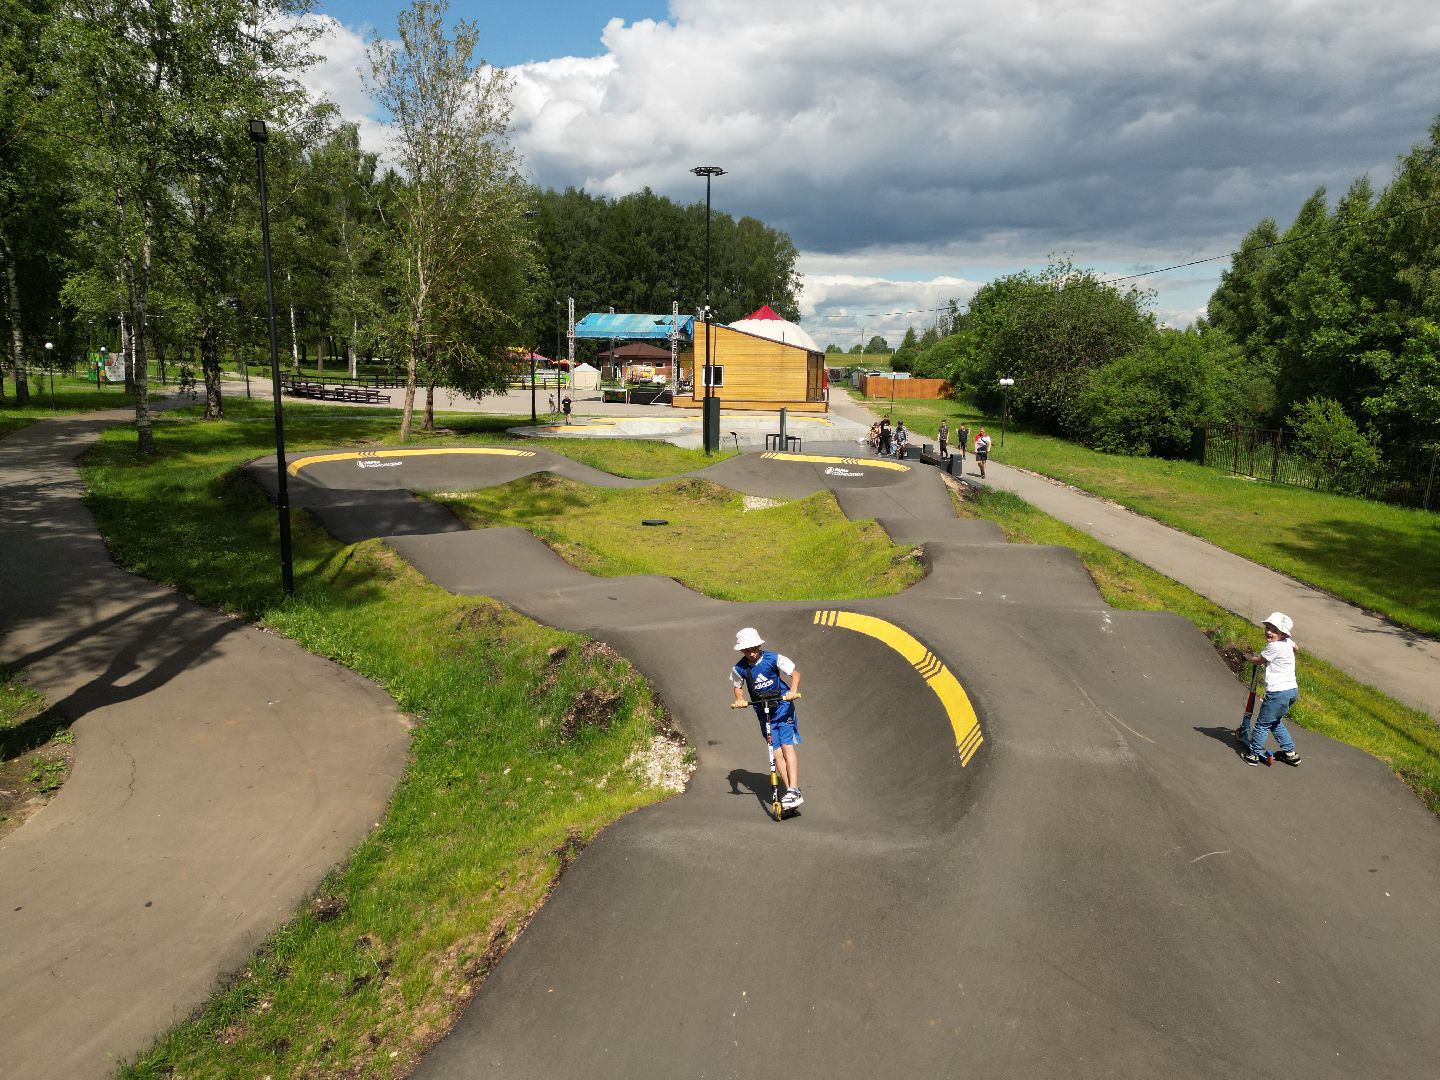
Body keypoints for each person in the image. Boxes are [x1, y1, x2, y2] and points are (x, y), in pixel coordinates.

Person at [730, 627, 804, 808]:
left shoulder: (773, 658)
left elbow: (795, 673)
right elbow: (737, 686)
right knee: (776, 752)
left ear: (759, 645)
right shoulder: (739, 668)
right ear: (742, 650)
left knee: (787, 747)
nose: (751, 653)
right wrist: (739, 699)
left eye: (754, 649)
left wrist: (793, 691)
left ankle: (794, 789)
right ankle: (790, 793)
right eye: (747, 650)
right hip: (763, 711)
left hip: (782, 705)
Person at [1240, 612, 1302, 766]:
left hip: (1277, 693)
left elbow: (1259, 660)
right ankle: (1290, 753)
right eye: (1268, 628)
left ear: (1283, 633)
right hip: (1291, 691)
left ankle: (1253, 754)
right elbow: (1297, 648)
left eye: (1274, 630)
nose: (1269, 632)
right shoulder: (1287, 642)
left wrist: (1247, 657)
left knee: (1262, 724)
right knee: (1274, 721)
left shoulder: (1273, 647)